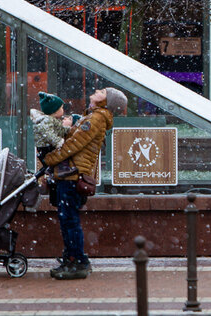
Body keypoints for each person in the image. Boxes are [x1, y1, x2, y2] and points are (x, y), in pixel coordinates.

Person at [44, 87, 127, 280]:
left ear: (106, 102)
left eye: (103, 92)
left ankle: (77, 262)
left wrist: (50, 159)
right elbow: (72, 136)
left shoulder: (96, 118)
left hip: (73, 174)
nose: (97, 90)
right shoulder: (92, 116)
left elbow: (74, 144)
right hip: (70, 173)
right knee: (68, 219)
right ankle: (73, 259)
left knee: (70, 220)